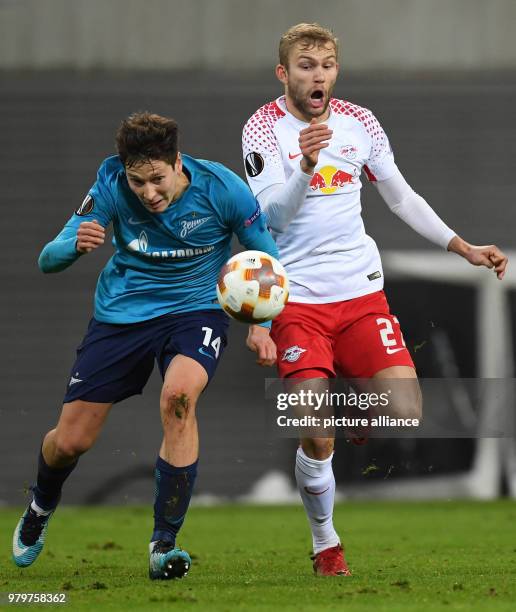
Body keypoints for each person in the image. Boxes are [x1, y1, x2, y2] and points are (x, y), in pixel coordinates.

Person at [242, 23, 508, 577]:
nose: (319, 76)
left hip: (360, 294)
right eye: (307, 66)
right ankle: (326, 543)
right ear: (283, 73)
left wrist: (462, 246)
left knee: (406, 411)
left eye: (327, 65)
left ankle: (340, 405)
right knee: (315, 433)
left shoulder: (360, 123)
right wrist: (307, 168)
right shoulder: (263, 130)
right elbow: (270, 219)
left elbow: (401, 197)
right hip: (298, 301)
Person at [12, 111, 278, 580]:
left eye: (157, 179)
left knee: (178, 399)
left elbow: (265, 255)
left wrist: (263, 323)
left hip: (196, 311)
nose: (149, 193)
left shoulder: (223, 189)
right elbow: (46, 260)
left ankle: (163, 545)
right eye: (139, 183)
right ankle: (39, 506)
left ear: (178, 163)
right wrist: (74, 246)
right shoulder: (110, 184)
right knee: (70, 442)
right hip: (123, 316)